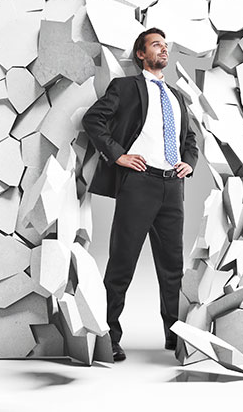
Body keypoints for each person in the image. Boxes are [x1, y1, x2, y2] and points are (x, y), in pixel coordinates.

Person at [81, 27, 199, 362]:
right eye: (156, 45)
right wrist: (117, 154)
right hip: (139, 184)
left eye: (165, 45)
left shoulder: (176, 96)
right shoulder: (126, 87)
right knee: (121, 263)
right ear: (141, 54)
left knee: (172, 267)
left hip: (172, 188)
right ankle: (109, 337)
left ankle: (174, 336)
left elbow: (189, 141)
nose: (163, 49)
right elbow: (94, 120)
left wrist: (188, 163)